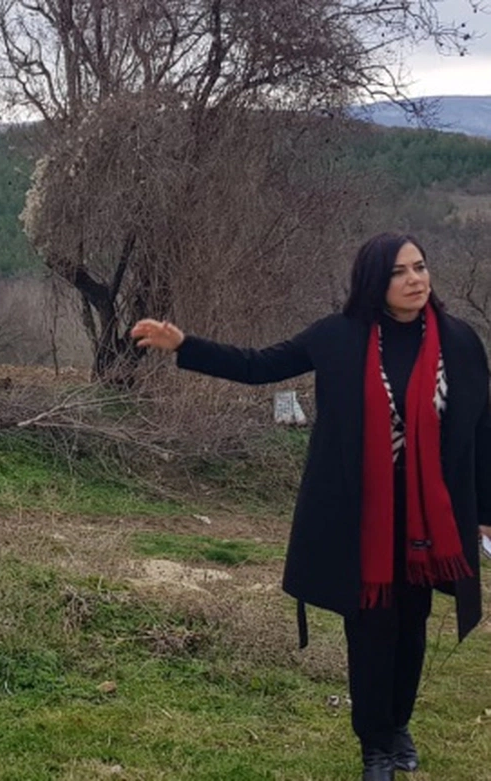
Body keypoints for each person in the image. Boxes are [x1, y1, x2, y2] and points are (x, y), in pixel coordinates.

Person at [131, 232, 491, 781]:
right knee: (370, 627)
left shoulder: (460, 342)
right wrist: (186, 345)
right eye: (400, 272)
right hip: (359, 516)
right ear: (374, 281)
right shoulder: (339, 337)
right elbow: (258, 366)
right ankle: (374, 745)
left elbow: (481, 430)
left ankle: (398, 724)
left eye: (420, 267)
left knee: (412, 624)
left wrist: (485, 508)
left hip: (428, 517)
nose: (416, 279)